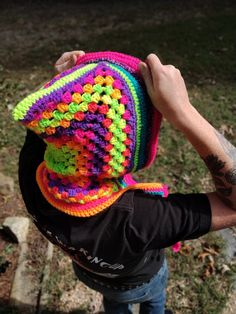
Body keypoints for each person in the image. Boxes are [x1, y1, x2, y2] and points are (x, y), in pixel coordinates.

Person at [15, 50, 236, 314]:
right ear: (133, 151)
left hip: (89, 274)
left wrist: (67, 85)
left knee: (115, 305)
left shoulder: (33, 171)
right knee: (154, 303)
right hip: (141, 280)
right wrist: (184, 113)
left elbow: (42, 119)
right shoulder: (140, 218)